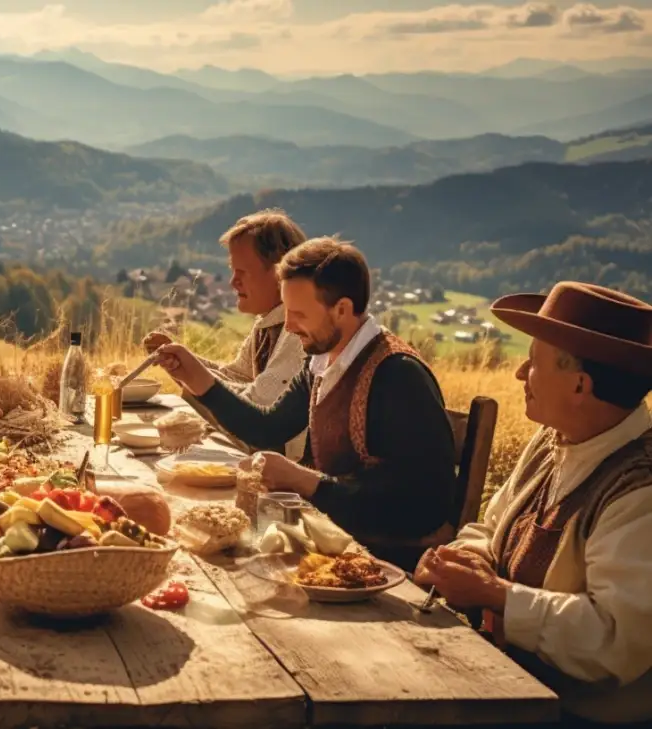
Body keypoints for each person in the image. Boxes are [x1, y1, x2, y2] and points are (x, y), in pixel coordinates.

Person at [416, 282, 652, 725]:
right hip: (507, 682)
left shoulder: (641, 490)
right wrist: (462, 560)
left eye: (534, 362)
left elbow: (613, 638)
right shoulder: (553, 440)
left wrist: (497, 595)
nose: (521, 375)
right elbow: (491, 528)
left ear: (580, 384)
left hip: (577, 716)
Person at [157, 236, 457, 571]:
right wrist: (198, 378)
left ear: (341, 309)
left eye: (298, 313)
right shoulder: (321, 361)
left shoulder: (398, 376)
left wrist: (305, 481)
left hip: (388, 565)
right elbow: (268, 428)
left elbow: (422, 510)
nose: (288, 325)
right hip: (329, 543)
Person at [145, 209, 309, 459]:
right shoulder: (268, 323)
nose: (233, 282)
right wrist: (185, 364)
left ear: (279, 273)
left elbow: (257, 410)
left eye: (241, 272)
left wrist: (193, 373)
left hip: (285, 481)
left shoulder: (298, 332)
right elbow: (236, 376)